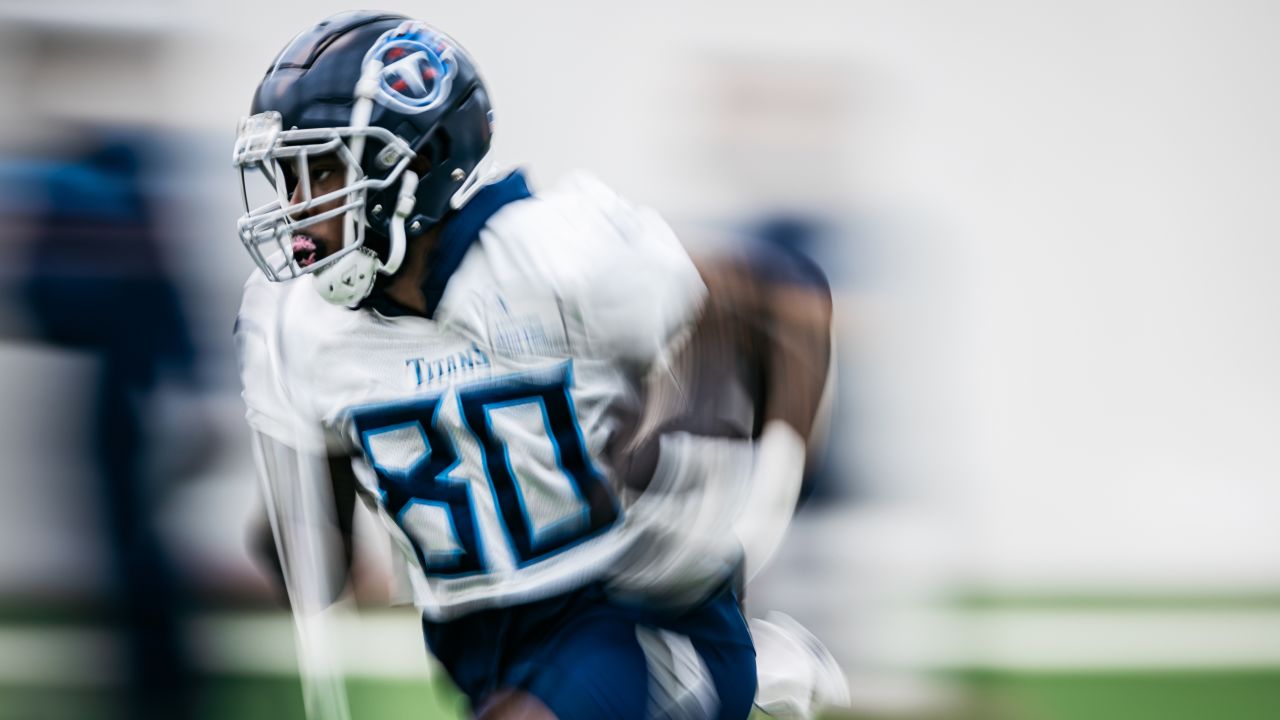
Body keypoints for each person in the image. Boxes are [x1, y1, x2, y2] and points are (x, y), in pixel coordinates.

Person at [233, 11, 838, 720]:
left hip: (635, 617)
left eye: (324, 170)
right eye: (289, 178)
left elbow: (788, 303)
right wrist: (300, 542)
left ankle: (741, 667)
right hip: (482, 652)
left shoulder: (552, 257)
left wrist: (750, 493)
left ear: (418, 162)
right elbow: (318, 542)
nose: (300, 209)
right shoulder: (301, 327)